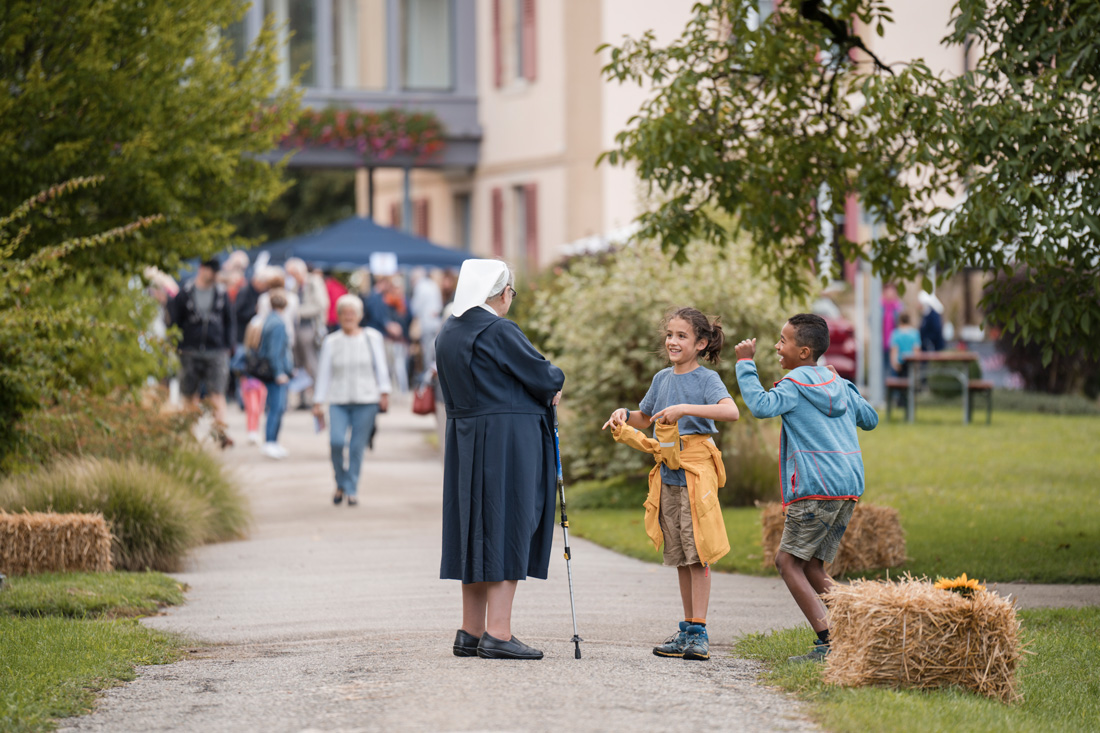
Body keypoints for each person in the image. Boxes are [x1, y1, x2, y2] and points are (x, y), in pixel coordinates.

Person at [436, 259, 564, 661]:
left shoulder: (449, 331)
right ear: (503, 292)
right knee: (509, 521)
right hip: (507, 441)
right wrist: (552, 385)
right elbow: (546, 377)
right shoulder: (499, 329)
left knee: (474, 527)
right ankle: (499, 633)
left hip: (466, 439)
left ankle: (470, 632)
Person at [733, 314, 878, 663]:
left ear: (804, 351)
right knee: (813, 567)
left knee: (787, 563)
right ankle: (862, 627)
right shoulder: (836, 381)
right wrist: (845, 386)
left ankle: (829, 642)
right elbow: (869, 419)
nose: (777, 346)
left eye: (783, 341)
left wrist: (745, 365)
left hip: (816, 486)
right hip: (847, 488)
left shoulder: (794, 384)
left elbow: (760, 406)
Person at [601, 307, 739, 662]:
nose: (672, 342)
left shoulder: (706, 380)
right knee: (679, 555)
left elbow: (730, 411)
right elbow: (644, 418)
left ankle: (700, 632)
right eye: (670, 335)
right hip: (668, 477)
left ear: (701, 343)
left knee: (700, 552)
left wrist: (685, 409)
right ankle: (688, 630)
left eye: (682, 336)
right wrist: (623, 415)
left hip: (696, 475)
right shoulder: (662, 378)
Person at [312, 295, 392, 507]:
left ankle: (351, 489)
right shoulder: (331, 341)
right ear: (338, 316)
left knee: (356, 447)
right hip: (339, 400)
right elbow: (324, 373)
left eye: (352, 313)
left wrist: (384, 392)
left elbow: (381, 366)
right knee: (336, 442)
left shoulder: (372, 337)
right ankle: (341, 482)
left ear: (359, 315)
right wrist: (318, 401)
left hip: (366, 400)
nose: (348, 317)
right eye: (344, 313)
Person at [166, 258, 236, 448]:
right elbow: (174, 321)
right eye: (211, 270)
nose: (214, 275)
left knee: (217, 393)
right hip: (189, 350)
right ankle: (189, 434)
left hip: (216, 350)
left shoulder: (221, 294)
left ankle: (221, 433)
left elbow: (230, 321)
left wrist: (229, 346)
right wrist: (177, 343)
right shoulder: (186, 293)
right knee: (189, 394)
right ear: (202, 269)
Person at [285, 258, 329, 408]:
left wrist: (298, 312)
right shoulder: (295, 286)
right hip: (297, 329)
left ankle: (318, 397)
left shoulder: (313, 282)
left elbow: (320, 305)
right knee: (299, 365)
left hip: (310, 328)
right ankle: (302, 399)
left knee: (312, 364)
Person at [257, 289, 294, 459]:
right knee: (277, 407)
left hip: (271, 371)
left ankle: (273, 441)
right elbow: (275, 351)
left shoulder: (268, 320)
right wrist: (280, 372)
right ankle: (271, 441)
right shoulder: (278, 323)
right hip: (276, 373)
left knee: (274, 407)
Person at [889, 312, 922, 377]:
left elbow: (894, 351)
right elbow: (916, 351)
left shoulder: (896, 333)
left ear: (900, 321)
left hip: (899, 364)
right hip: (911, 365)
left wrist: (895, 365)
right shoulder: (914, 333)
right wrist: (917, 365)